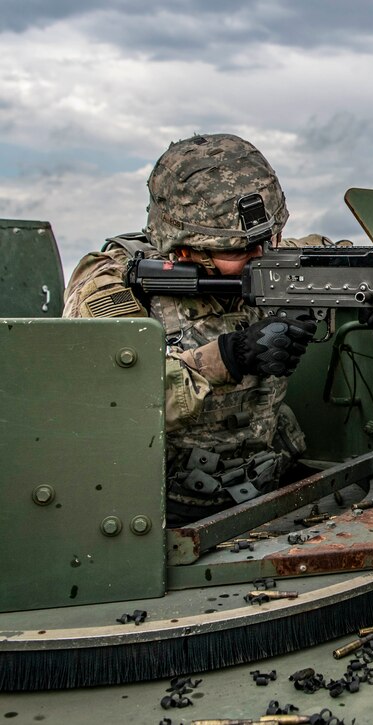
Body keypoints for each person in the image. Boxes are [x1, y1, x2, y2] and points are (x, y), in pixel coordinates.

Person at [63, 133, 319, 525]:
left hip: (273, 490)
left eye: (269, 240)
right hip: (157, 511)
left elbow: (334, 256)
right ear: (184, 249)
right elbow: (105, 402)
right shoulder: (112, 285)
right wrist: (227, 357)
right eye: (237, 250)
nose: (261, 259)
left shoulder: (269, 254)